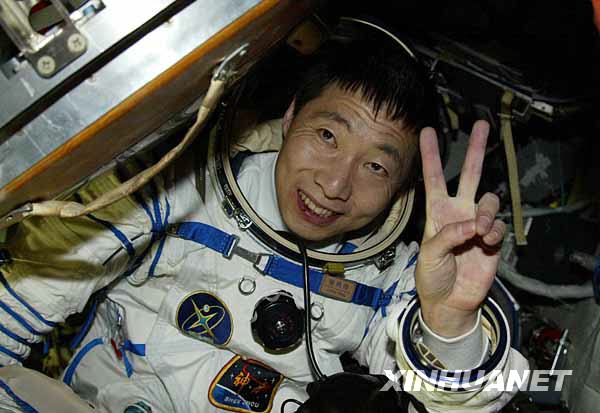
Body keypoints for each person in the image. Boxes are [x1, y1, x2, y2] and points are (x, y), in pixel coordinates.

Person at [0, 17, 527, 413]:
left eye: (375, 167)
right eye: (327, 135)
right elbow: (14, 309)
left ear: (402, 191)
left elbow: (456, 406)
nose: (334, 185)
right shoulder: (176, 188)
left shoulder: (393, 279)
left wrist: (449, 328)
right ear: (292, 115)